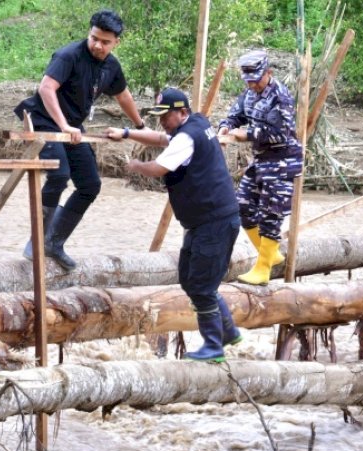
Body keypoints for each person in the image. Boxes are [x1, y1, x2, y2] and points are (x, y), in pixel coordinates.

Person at [106, 88, 242, 363]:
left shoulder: (187, 137)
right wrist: (127, 133)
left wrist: (135, 166)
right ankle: (227, 331)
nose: (162, 122)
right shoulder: (197, 124)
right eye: (159, 116)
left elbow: (159, 168)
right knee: (189, 278)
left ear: (182, 112)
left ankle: (214, 346)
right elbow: (161, 138)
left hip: (213, 221)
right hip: (204, 221)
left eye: (166, 116)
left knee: (202, 287)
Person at [15, 10, 145, 270]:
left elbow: (123, 97)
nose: (97, 45)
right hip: (44, 120)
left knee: (90, 185)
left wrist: (139, 125)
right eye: (94, 38)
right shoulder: (69, 55)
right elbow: (46, 88)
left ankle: (54, 242)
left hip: (74, 127)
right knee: (59, 174)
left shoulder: (111, 66)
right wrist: (63, 125)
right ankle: (36, 242)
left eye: (105, 42)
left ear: (116, 42)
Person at [217, 49, 303, 285]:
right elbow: (236, 115)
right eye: (248, 80)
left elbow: (280, 133)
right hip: (262, 160)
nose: (252, 84)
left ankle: (263, 268)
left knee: (270, 214)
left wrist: (247, 135)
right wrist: (227, 126)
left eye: (256, 79)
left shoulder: (280, 96)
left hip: (283, 160)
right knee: (243, 206)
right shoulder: (250, 93)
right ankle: (271, 253)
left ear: (269, 73)